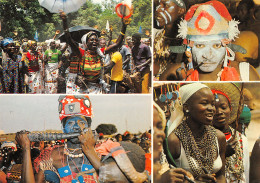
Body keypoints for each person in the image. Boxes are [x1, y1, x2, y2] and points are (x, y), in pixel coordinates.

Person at [15, 95, 148, 183]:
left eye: (82, 123)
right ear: (63, 128)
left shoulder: (104, 149)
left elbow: (116, 179)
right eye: (71, 123)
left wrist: (89, 150)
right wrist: (26, 148)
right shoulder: (51, 155)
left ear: (89, 127)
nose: (77, 127)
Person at [159, 1, 260, 81]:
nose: (208, 55)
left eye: (216, 45)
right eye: (200, 46)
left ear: (227, 45)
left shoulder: (245, 73)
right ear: (189, 47)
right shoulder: (172, 74)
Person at [165, 83, 226, 182]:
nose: (211, 108)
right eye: (204, 103)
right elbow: (166, 178)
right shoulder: (174, 140)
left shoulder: (219, 137)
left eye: (212, 104)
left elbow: (221, 176)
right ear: (186, 107)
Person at [60, 11, 129, 94]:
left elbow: (117, 44)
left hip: (97, 88)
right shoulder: (81, 53)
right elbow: (70, 41)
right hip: (84, 88)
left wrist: (124, 26)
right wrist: (64, 21)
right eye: (91, 40)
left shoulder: (100, 52)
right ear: (86, 42)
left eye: (96, 40)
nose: (94, 42)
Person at [207, 83, 249, 183]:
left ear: (230, 108)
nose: (219, 112)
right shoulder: (202, 138)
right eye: (214, 108)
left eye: (223, 107)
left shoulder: (242, 139)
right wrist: (223, 154)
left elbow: (246, 172)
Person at [153, 101, 194, 183]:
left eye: (159, 126)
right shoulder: (173, 140)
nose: (161, 133)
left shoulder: (161, 159)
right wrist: (161, 180)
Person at [153, 0, 186, 80]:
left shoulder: (187, 40)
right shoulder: (155, 35)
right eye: (158, 5)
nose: (157, 10)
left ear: (180, 11)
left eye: (165, 5)